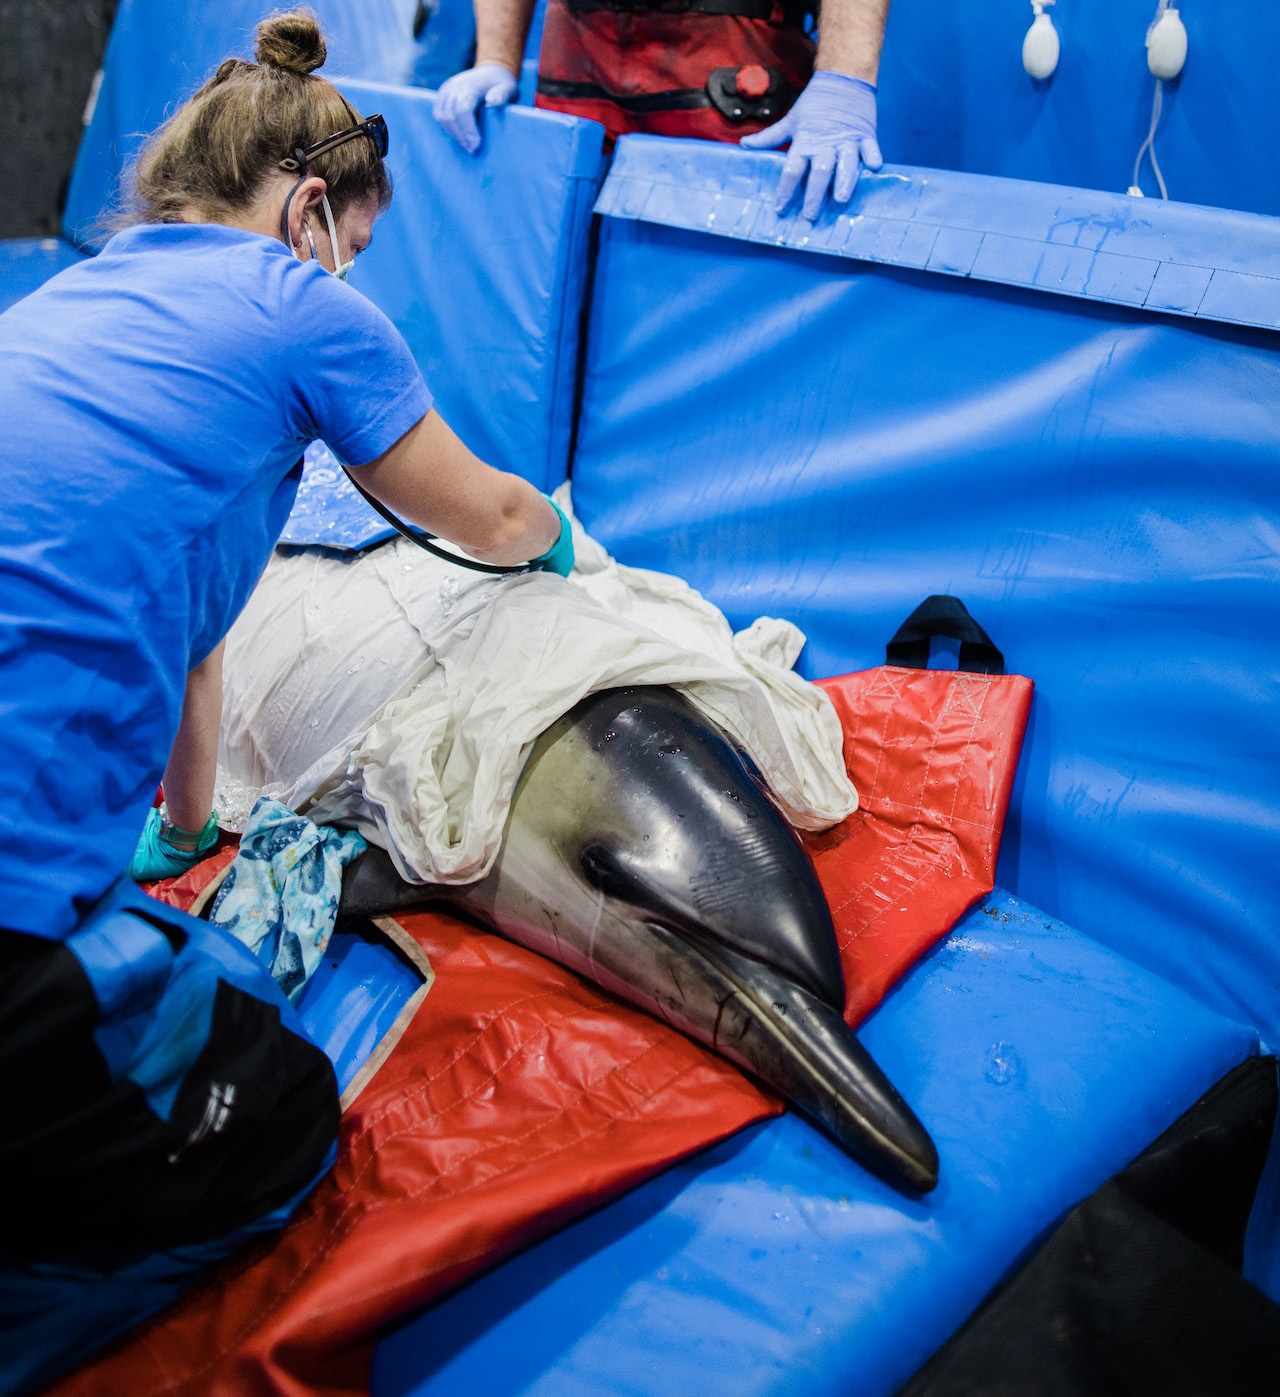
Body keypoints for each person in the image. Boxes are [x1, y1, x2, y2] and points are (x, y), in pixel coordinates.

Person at [0, 10, 572, 1391]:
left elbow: (191, 645)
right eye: (353, 242)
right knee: (287, 1119)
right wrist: (559, 541)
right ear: (311, 208)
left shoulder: (65, 300)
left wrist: (182, 835)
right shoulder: (306, 306)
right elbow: (486, 511)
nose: (350, 269)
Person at [432, 0, 890, 220]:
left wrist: (844, 76)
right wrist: (495, 57)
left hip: (729, 63)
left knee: (726, 271)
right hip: (577, 60)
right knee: (565, 268)